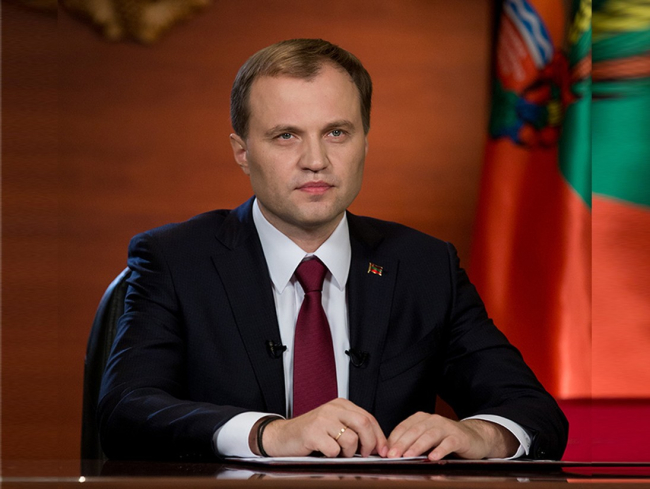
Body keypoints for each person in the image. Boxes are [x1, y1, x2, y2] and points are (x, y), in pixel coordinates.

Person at [98, 39, 568, 461]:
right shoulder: (175, 259)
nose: (316, 160)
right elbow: (125, 410)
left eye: (337, 133)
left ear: (365, 141)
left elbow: (533, 411)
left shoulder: (424, 267)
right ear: (242, 151)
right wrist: (267, 434)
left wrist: (483, 435)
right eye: (286, 135)